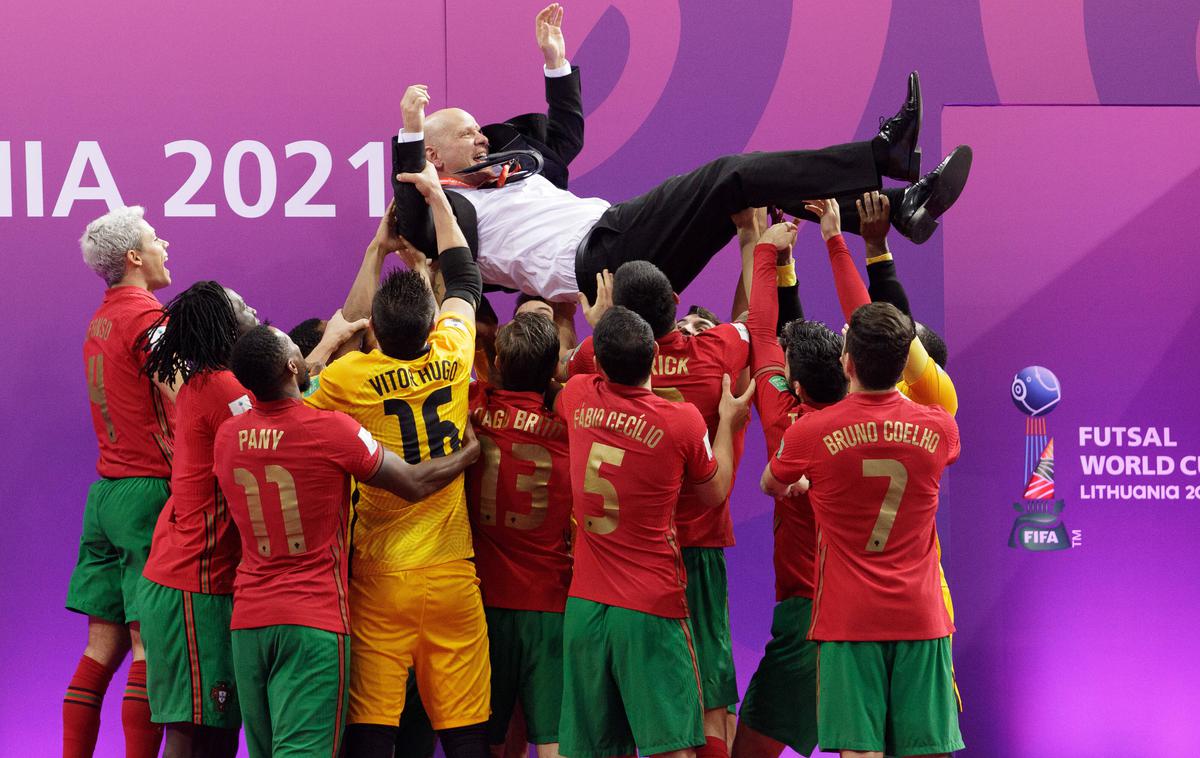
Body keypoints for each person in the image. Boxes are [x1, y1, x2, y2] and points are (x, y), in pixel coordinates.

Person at [395, 48, 972, 303]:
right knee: (729, 173)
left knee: (745, 193)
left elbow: (565, 136)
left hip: (627, 257)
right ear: (438, 159)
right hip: (598, 257)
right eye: (466, 133)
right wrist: (410, 134)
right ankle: (881, 156)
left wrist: (555, 59)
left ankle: (901, 208)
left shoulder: (506, 175)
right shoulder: (451, 208)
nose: (482, 136)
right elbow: (421, 225)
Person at [212, 325, 480, 758]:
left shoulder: (227, 435)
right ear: (291, 366)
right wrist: (467, 454)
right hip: (311, 623)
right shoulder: (330, 431)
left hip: (248, 624)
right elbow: (411, 483)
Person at [304, 159, 491, 758]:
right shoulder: (455, 351)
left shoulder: (351, 377)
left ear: (374, 334)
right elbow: (465, 278)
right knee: (466, 736)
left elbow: (342, 330)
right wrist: (437, 197)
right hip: (453, 569)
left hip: (379, 574)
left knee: (371, 733)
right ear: (432, 324)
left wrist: (374, 252)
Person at [761, 302, 963, 758]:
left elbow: (771, 481)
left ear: (846, 362)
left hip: (847, 619)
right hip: (921, 616)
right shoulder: (940, 429)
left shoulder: (811, 432)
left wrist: (800, 480)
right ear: (903, 365)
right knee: (926, 751)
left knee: (859, 752)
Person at [566, 261, 751, 755]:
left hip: (588, 597)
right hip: (664, 581)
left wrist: (601, 321)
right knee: (698, 711)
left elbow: (578, 359)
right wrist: (728, 428)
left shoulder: (578, 391)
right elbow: (756, 321)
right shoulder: (695, 407)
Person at [731, 219, 846, 758]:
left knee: (749, 751)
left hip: (806, 616)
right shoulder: (866, 416)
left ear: (796, 386)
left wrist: (766, 254)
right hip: (865, 612)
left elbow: (760, 334)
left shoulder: (787, 420)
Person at [65, 205, 178, 758]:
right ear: (135, 257)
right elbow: (183, 395)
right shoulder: (147, 319)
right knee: (148, 647)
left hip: (106, 494)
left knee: (99, 648)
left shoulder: (102, 318)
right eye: (156, 239)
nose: (165, 245)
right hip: (148, 495)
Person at [136, 281, 259, 758]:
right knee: (190, 736)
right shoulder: (223, 387)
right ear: (223, 326)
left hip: (203, 580)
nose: (252, 305)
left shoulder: (212, 381)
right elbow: (279, 425)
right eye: (239, 304)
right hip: (192, 580)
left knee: (219, 730)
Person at [465, 311, 573, 758]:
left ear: (497, 366)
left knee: (490, 740)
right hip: (549, 603)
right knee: (552, 740)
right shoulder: (571, 429)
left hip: (482, 603)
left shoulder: (471, 405)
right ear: (551, 372)